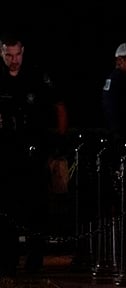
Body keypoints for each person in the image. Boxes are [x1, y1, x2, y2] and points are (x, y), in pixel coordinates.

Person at [0, 33, 68, 274]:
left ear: (23, 52)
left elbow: (59, 105)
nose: (13, 59)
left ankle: (35, 258)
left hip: (35, 152)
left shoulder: (36, 76)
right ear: (2, 53)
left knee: (36, 207)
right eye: (8, 55)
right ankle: (7, 260)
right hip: (7, 154)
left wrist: (58, 143)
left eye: (17, 54)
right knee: (7, 207)